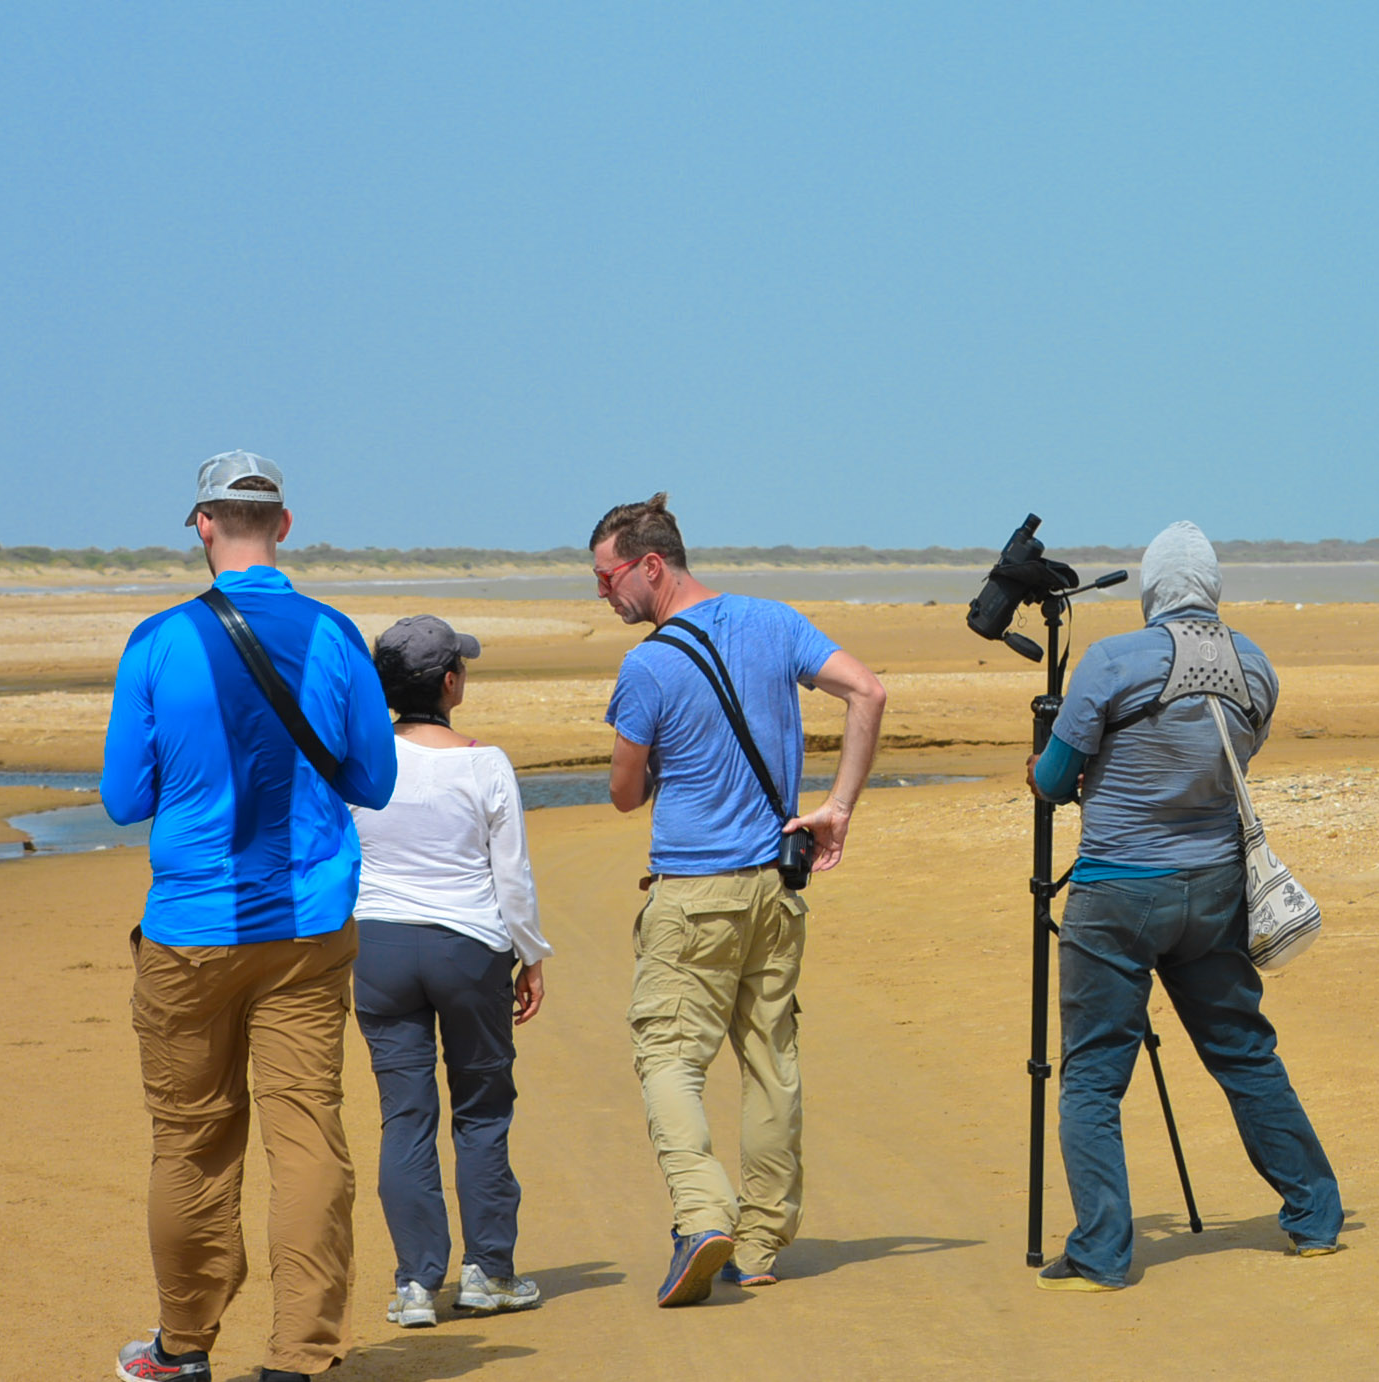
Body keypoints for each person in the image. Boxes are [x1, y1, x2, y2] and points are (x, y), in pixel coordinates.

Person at [106, 452, 400, 1382]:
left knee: (190, 1138)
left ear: (201, 524)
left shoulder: (157, 642)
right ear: (282, 523)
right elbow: (377, 779)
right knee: (308, 1130)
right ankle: (299, 1357)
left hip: (189, 930)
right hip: (306, 931)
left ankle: (183, 1347)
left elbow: (122, 797)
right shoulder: (335, 634)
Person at [1025, 520, 1343, 1292]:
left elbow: (1054, 780)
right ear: (1211, 588)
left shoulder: (1111, 661)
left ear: (1151, 590)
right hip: (1214, 890)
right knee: (1244, 1053)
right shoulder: (1256, 664)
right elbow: (1237, 756)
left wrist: (1045, 756)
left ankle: (1102, 1251)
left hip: (1116, 892)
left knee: (1094, 1077)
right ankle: (1314, 1219)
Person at [591, 493, 888, 1306]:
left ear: (652, 565)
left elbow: (622, 793)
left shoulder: (647, 665)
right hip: (777, 885)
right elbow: (867, 691)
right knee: (770, 1062)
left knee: (667, 1059)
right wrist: (840, 809)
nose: (605, 596)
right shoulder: (773, 621)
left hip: (692, 894)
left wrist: (657, 764)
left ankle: (701, 1214)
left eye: (608, 578)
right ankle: (759, 1240)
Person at [350, 615, 553, 1330]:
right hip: (469, 949)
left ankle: (415, 1283)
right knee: (482, 1110)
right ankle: (488, 1271)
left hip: (377, 947)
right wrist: (529, 954)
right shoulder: (483, 763)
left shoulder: (360, 760)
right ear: (448, 683)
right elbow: (513, 877)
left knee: (404, 1116)